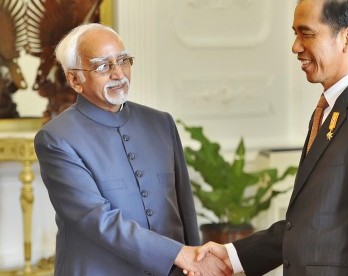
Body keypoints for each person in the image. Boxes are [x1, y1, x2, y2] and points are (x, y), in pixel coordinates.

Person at [197, 0, 348, 275]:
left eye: (306, 33)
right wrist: (231, 256)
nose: (295, 46)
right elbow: (306, 224)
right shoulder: (328, 109)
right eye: (295, 33)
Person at [34, 23, 230, 276]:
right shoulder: (56, 138)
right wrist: (181, 255)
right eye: (103, 66)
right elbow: (96, 219)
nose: (118, 74)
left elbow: (184, 207)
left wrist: (197, 260)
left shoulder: (161, 123)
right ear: (74, 79)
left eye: (123, 61)